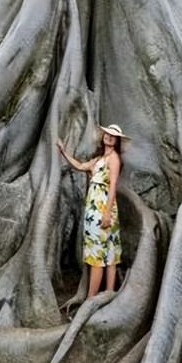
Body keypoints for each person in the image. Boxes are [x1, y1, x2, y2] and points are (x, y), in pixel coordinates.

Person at [57, 123, 128, 299]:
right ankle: (108, 294)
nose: (109, 137)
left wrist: (106, 212)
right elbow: (79, 166)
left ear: (117, 140)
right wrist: (63, 152)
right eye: (107, 134)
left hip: (103, 210)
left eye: (113, 136)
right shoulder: (98, 160)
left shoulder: (114, 159)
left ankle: (91, 299)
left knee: (98, 255)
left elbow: (112, 187)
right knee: (108, 252)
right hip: (93, 210)